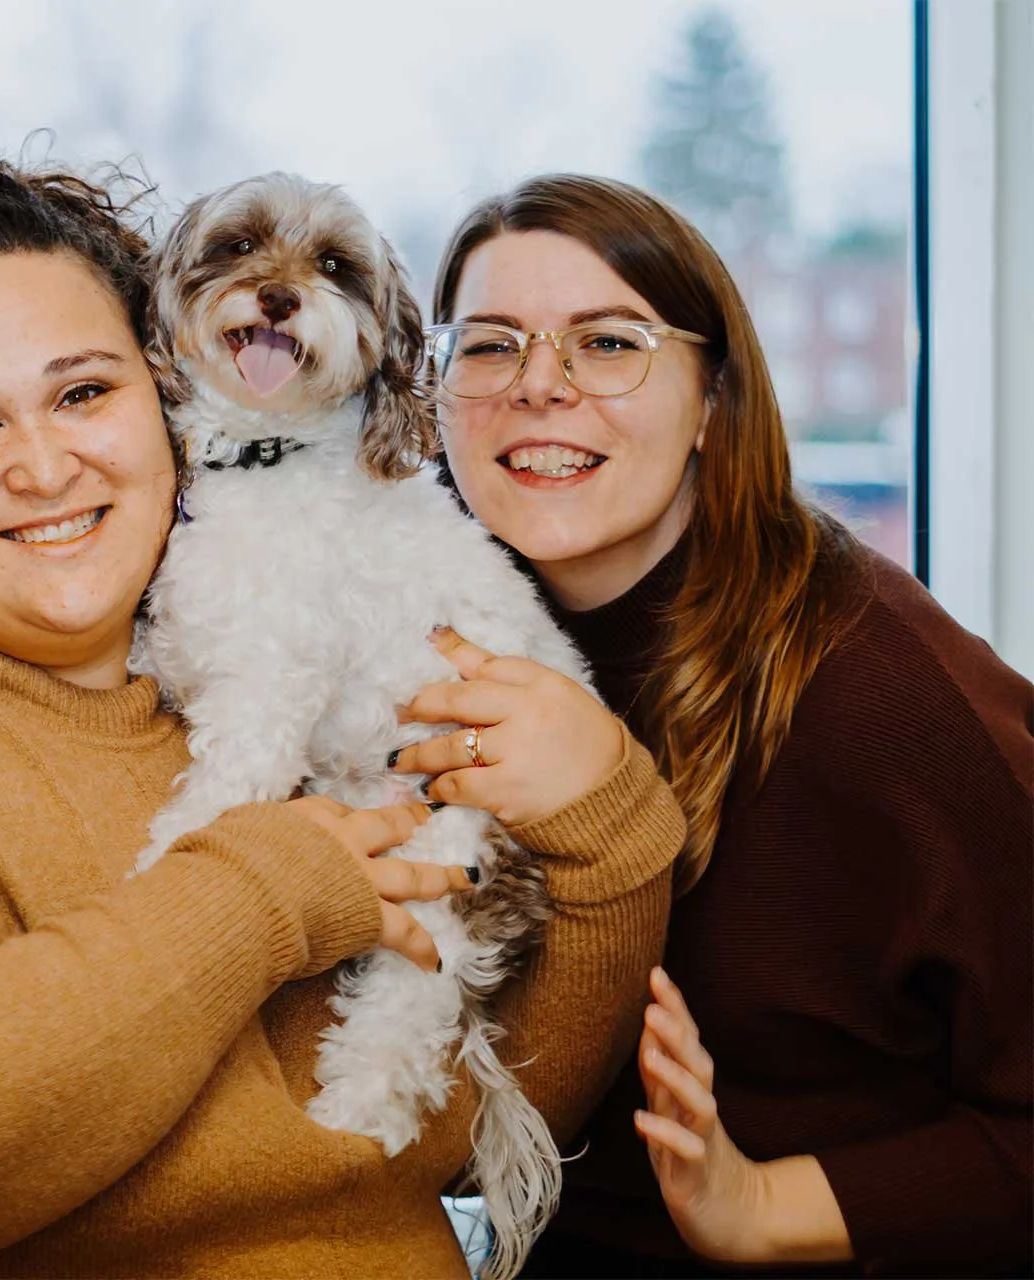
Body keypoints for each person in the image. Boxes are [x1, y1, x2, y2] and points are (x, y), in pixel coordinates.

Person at [0, 146, 686, 1277]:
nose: (44, 464)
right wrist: (263, 886)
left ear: (169, 396)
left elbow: (469, 1122)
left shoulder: (292, 696)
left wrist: (606, 827)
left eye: (84, 393)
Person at [407, 173, 1032, 1275]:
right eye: (491, 345)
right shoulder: (425, 647)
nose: (539, 386)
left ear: (711, 400)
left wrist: (760, 1206)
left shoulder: (879, 687)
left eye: (607, 344)